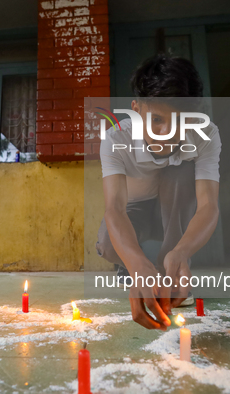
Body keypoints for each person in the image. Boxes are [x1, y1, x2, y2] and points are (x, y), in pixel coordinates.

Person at [95, 53, 221, 331]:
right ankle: (136, 267)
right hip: (135, 209)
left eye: (181, 121)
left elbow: (208, 206)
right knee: (108, 245)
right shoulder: (116, 138)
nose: (167, 133)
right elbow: (115, 208)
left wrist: (181, 252)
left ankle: (171, 266)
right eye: (157, 120)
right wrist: (136, 262)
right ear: (136, 108)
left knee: (180, 169)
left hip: (174, 209)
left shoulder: (206, 135)